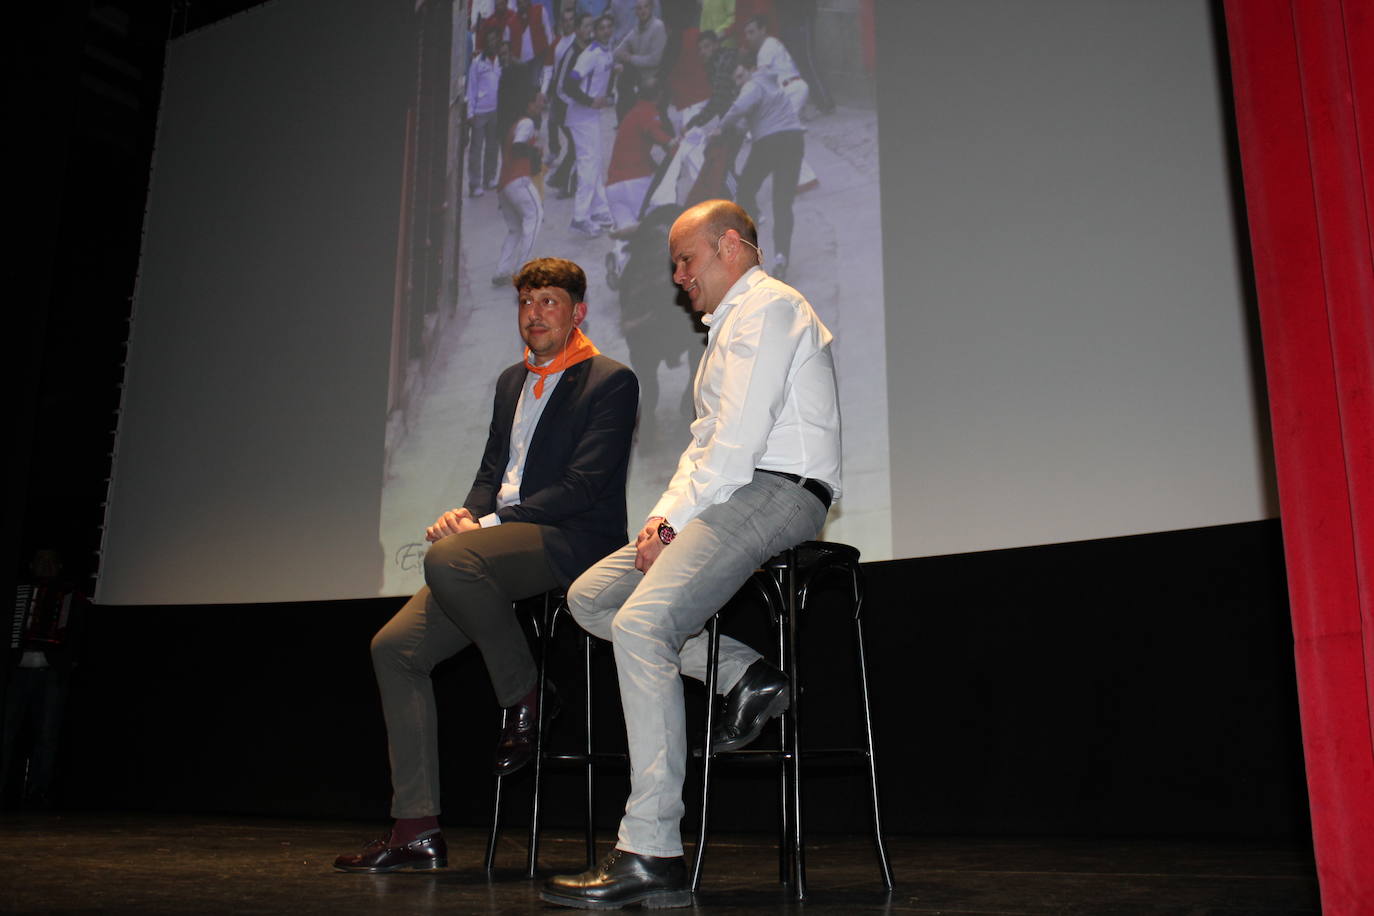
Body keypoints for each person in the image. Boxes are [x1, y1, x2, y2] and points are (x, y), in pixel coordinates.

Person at [542, 199, 840, 909]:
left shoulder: (769, 308)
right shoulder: (730, 325)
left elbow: (736, 445)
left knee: (642, 626)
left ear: (731, 245)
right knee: (591, 598)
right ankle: (746, 675)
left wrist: (673, 524)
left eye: (686, 259)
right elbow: (705, 447)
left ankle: (651, 851)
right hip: (731, 491)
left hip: (777, 491)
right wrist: (658, 521)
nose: (678, 276)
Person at [334, 258, 638, 874]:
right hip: (498, 545)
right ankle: (416, 829)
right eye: (526, 303)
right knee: (393, 648)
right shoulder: (510, 382)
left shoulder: (609, 379)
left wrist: (488, 527)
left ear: (577, 311)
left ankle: (525, 693)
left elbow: (584, 487)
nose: (534, 314)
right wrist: (467, 515)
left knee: (451, 558)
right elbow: (491, 472)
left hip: (571, 539)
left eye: (549, 302)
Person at [713, 57, 805, 279]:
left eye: (740, 75)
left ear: (750, 69)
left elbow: (738, 109)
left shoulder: (754, 84)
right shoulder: (771, 86)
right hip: (793, 140)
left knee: (745, 189)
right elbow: (746, 122)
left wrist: (718, 129)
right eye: (736, 80)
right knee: (782, 202)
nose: (739, 81)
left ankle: (750, 243)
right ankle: (782, 256)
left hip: (770, 142)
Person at [742, 14, 818, 192]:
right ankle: (803, 179)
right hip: (793, 88)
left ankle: (803, 179)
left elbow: (760, 84)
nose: (748, 37)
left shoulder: (766, 49)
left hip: (791, 90)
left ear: (763, 30)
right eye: (746, 33)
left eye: (752, 32)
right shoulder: (772, 43)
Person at [563, 14, 617, 236]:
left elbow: (605, 81)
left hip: (591, 116)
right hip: (580, 116)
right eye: (601, 27)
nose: (605, 31)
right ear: (594, 31)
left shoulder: (607, 52)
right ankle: (580, 216)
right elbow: (569, 84)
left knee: (594, 161)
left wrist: (608, 95)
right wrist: (590, 100)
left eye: (608, 27)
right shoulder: (590, 55)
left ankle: (599, 210)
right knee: (588, 164)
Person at [492, 69, 547, 286]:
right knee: (535, 216)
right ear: (529, 105)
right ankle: (524, 271)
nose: (541, 105)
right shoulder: (526, 123)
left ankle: (501, 270)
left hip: (504, 185)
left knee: (515, 229)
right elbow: (518, 148)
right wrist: (536, 153)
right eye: (538, 102)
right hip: (518, 180)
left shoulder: (515, 124)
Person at [466, 26, 505, 197]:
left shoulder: (501, 62)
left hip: (496, 111)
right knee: (476, 149)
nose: (492, 43)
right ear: (485, 43)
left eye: (495, 40)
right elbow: (471, 88)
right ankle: (475, 184)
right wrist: (470, 112)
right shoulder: (477, 63)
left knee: (492, 146)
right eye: (489, 41)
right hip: (480, 112)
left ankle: (489, 178)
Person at [612, 0, 666, 118]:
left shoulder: (658, 26)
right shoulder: (636, 29)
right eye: (639, 8)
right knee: (623, 83)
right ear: (635, 11)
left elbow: (655, 60)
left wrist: (630, 58)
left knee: (657, 117)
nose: (643, 11)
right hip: (639, 77)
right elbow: (617, 51)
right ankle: (624, 124)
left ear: (651, 8)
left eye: (646, 7)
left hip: (654, 77)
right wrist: (618, 62)